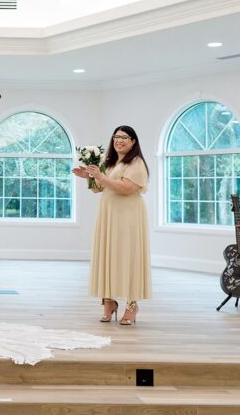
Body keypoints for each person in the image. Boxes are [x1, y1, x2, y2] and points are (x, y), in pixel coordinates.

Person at [72, 125, 151, 326]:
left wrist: (100, 176)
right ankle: (109, 301)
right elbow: (98, 189)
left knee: (128, 256)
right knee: (108, 255)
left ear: (133, 141)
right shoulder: (111, 162)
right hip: (108, 216)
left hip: (128, 217)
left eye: (124, 137)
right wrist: (89, 177)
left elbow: (126, 188)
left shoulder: (136, 162)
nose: (119, 140)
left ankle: (132, 305)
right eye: (116, 137)